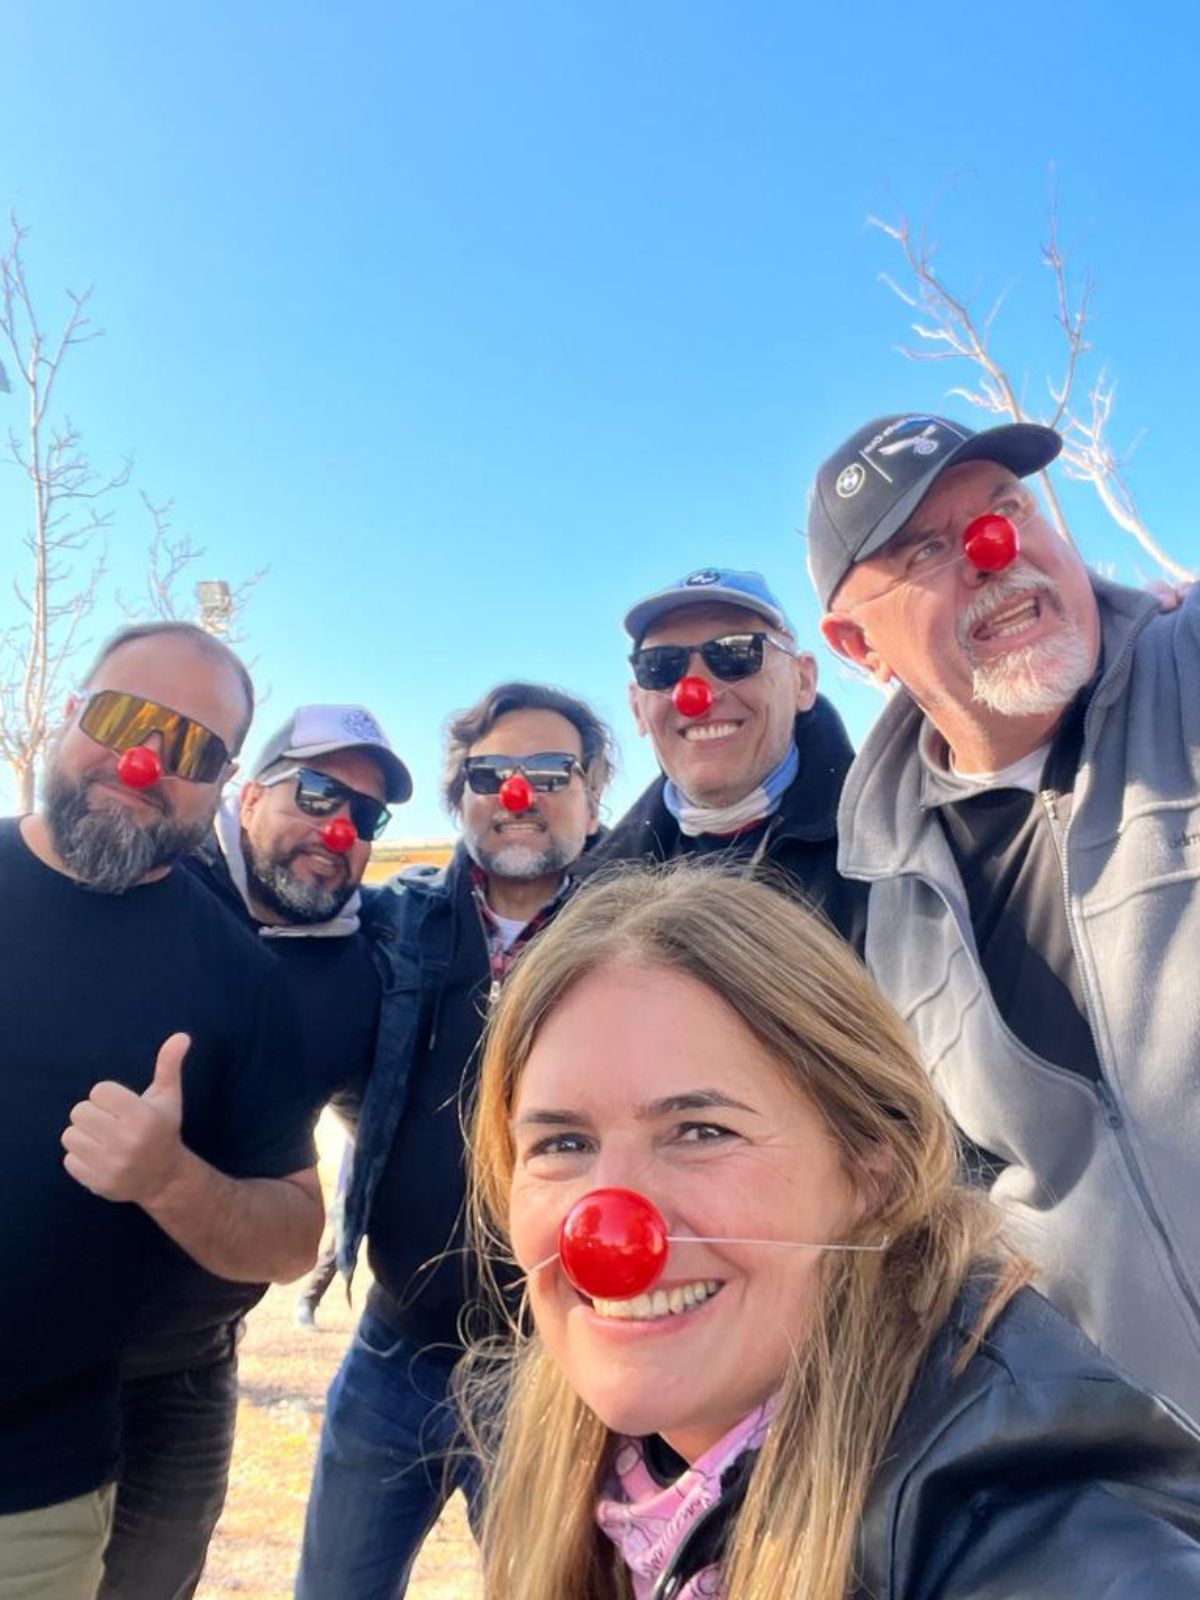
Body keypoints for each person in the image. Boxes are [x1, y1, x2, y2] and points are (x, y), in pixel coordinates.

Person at [466, 865, 1200, 1599]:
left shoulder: (1031, 1538)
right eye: (562, 1144)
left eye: (699, 1131)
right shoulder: (590, 1479)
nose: (610, 1232)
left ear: (870, 1176)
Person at [806, 411, 1200, 1421]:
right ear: (855, 645)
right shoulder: (883, 899)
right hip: (1148, 1491)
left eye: (1006, 507)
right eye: (926, 549)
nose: (994, 551)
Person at [0, 622, 322, 1600]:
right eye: (126, 718)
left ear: (222, 785)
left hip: (32, 1487)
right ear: (68, 714)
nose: (145, 760)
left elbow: (294, 1234)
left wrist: (168, 1179)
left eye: (191, 748)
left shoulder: (243, 980)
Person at [296, 682, 615, 1600]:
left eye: (551, 772)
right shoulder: (392, 923)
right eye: (491, 774)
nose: (519, 793)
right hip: (390, 1353)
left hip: (547, 1371)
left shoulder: (635, 936)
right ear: (460, 797)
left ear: (592, 797)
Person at [99, 704, 411, 1600]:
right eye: (315, 791)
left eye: (367, 813)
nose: (340, 827)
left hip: (188, 1366)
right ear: (244, 794)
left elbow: (382, 1126)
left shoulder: (368, 971)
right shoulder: (145, 880)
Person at [581, 566, 865, 946]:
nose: (696, 694)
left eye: (736, 653)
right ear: (638, 708)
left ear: (803, 682)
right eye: (661, 666)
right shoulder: (593, 891)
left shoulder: (893, 849)